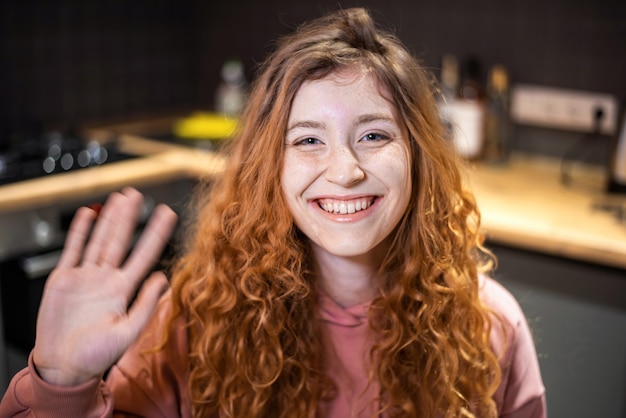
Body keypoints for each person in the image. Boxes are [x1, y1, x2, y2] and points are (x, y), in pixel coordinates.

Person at [0, 7, 546, 418]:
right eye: (308, 140)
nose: (345, 170)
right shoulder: (198, 318)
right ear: (270, 169)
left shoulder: (490, 323)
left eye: (374, 134)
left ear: (419, 157)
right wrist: (61, 383)